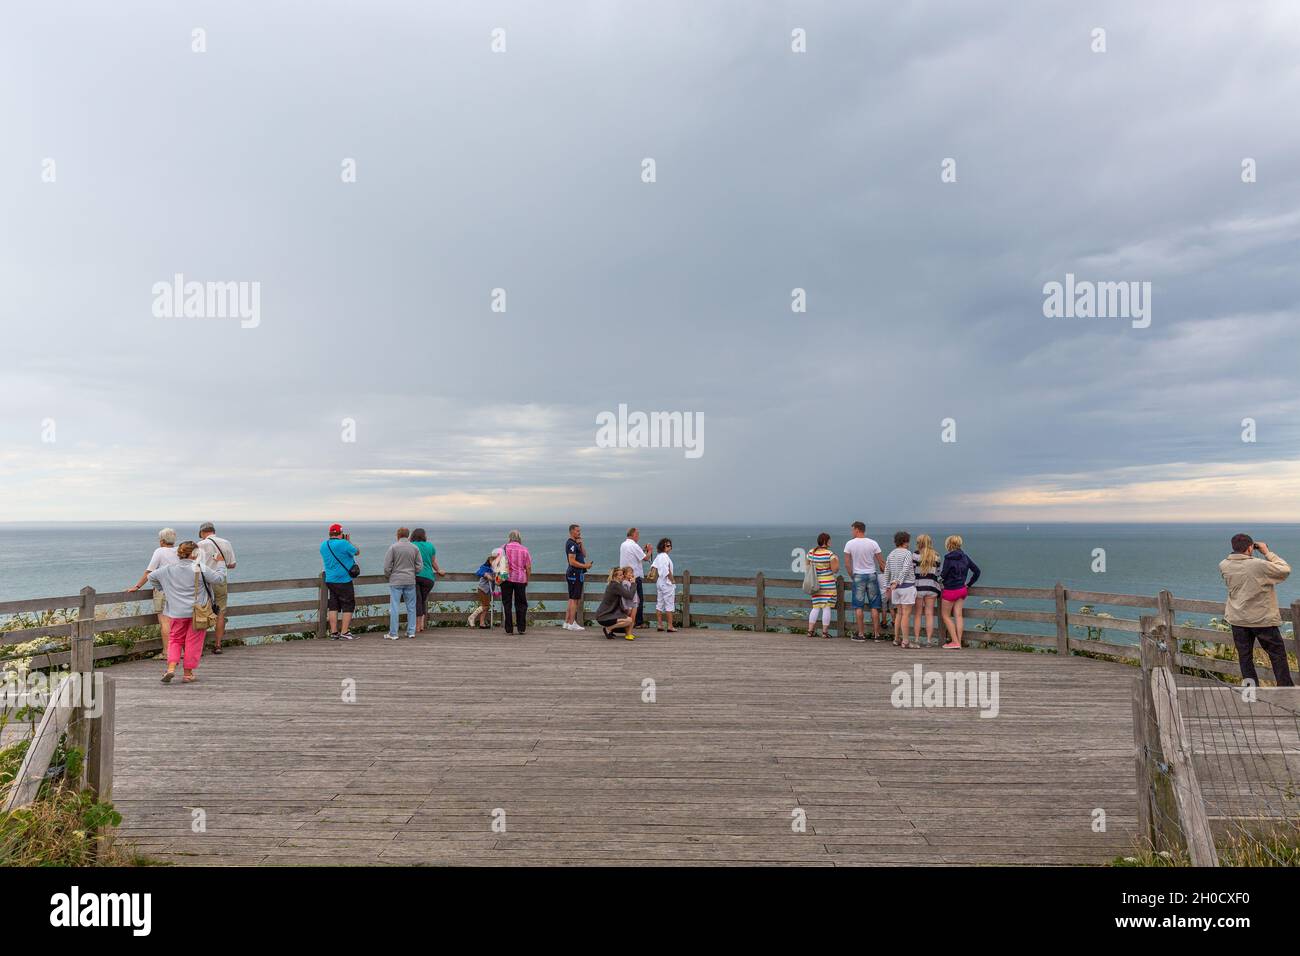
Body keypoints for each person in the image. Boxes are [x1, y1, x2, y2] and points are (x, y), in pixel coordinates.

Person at [1219, 534, 1294, 687]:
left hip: (1237, 619)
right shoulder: (1258, 564)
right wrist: (1267, 552)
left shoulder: (1224, 565)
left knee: (1245, 657)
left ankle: (1251, 693)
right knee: (1277, 655)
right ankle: (1285, 691)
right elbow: (1285, 570)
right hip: (1262, 620)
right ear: (1249, 548)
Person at [148, 540, 226, 683]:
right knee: (193, 642)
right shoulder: (199, 567)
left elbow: (151, 577)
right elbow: (219, 579)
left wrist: (165, 590)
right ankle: (188, 674)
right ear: (195, 553)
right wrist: (220, 563)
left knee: (175, 640)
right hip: (197, 613)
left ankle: (171, 668)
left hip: (176, 612)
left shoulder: (168, 569)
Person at [126, 527, 179, 635]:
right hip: (178, 591)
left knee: (165, 622)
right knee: (176, 622)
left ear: (162, 541)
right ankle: (178, 651)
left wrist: (137, 586)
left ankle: (166, 651)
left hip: (163, 590)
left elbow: (149, 572)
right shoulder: (178, 551)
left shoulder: (159, 551)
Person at [196, 522, 235, 654]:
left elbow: (194, 564)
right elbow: (232, 564)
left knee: (201, 611)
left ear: (202, 532)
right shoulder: (226, 543)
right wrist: (219, 563)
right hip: (220, 581)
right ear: (213, 530)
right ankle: (218, 645)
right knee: (220, 612)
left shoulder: (200, 544)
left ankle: (198, 647)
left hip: (204, 581)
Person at [843, 521, 885, 642]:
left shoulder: (849, 544)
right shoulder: (873, 543)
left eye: (852, 530)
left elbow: (847, 564)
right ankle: (877, 635)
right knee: (875, 606)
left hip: (858, 576)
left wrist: (852, 576)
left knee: (858, 606)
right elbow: (881, 562)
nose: (852, 532)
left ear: (857, 530)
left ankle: (861, 634)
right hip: (871, 575)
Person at [939, 534, 980, 649]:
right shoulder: (965, 557)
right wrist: (969, 584)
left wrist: (939, 579)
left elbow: (943, 575)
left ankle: (955, 642)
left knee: (945, 616)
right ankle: (959, 642)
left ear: (949, 545)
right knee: (958, 615)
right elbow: (977, 571)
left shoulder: (948, 558)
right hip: (962, 590)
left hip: (950, 591)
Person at [320, 523, 360, 640]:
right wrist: (348, 541)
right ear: (341, 533)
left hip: (330, 580)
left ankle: (334, 633)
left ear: (330, 533)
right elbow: (357, 552)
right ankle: (345, 632)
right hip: (343, 580)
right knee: (348, 605)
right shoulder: (344, 543)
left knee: (333, 606)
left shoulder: (324, 545)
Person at [382, 527, 423, 640]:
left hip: (396, 580)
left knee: (394, 607)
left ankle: (393, 633)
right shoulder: (414, 548)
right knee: (411, 607)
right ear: (408, 535)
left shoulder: (393, 547)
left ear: (398, 535)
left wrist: (389, 575)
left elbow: (386, 566)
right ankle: (411, 632)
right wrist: (413, 572)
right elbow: (420, 566)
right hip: (410, 580)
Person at [884, 531, 917, 647]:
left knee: (899, 614)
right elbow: (906, 569)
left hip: (895, 589)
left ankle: (896, 639)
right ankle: (906, 641)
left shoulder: (891, 554)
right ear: (905, 541)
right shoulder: (907, 553)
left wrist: (887, 586)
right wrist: (898, 581)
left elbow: (886, 571)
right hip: (906, 586)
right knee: (906, 615)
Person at [410, 528, 444, 633]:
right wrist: (438, 570)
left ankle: (417, 626)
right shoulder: (430, 546)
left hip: (415, 576)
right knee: (422, 601)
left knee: (417, 601)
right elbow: (433, 562)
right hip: (428, 578)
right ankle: (421, 625)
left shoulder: (412, 546)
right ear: (424, 536)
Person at [912, 533, 943, 646]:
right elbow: (939, 573)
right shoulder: (936, 556)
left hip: (919, 587)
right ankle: (929, 641)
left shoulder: (915, 555)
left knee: (918, 614)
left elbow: (912, 571)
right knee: (929, 614)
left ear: (919, 543)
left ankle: (916, 639)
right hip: (932, 587)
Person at [807, 532, 839, 638]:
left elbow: (807, 567)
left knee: (815, 607)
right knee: (826, 607)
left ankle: (810, 631)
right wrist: (837, 561)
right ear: (826, 541)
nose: (831, 542)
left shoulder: (811, 552)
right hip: (828, 584)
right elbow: (835, 570)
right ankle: (824, 632)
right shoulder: (830, 554)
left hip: (815, 584)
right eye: (829, 540)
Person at [619, 528, 652, 628]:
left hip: (624, 577)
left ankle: (627, 621)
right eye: (637, 535)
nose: (638, 537)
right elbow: (645, 558)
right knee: (638, 600)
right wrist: (649, 551)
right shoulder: (634, 545)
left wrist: (642, 550)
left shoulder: (623, 544)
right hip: (634, 577)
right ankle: (638, 622)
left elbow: (633, 555)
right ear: (634, 535)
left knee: (626, 600)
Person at [501, 530, 532, 635]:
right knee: (521, 604)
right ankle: (521, 628)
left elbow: (497, 563)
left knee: (507, 603)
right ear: (519, 538)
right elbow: (528, 567)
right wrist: (527, 579)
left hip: (506, 579)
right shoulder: (524, 550)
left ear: (509, 537)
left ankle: (509, 629)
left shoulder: (503, 548)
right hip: (520, 579)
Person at [593, 567, 637, 640]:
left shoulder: (613, 584)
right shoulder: (615, 585)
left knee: (629, 621)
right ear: (614, 576)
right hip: (603, 617)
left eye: (622, 574)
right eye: (620, 575)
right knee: (629, 620)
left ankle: (610, 630)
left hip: (606, 615)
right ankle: (608, 629)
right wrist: (633, 583)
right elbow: (630, 596)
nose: (622, 576)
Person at [563, 524, 593, 631]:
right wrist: (586, 566)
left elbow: (584, 555)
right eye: (577, 531)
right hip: (574, 573)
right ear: (571, 531)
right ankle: (572, 623)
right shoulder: (571, 544)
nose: (579, 533)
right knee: (575, 599)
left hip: (576, 573)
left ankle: (567, 622)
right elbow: (572, 561)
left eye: (579, 531)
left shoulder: (576, 543)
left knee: (572, 599)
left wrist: (581, 544)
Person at [651, 538, 676, 632]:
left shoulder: (659, 556)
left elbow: (653, 567)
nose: (670, 547)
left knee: (659, 604)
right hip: (666, 583)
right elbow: (666, 570)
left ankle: (660, 624)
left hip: (659, 582)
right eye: (668, 545)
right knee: (669, 604)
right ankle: (670, 626)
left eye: (670, 545)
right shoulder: (665, 557)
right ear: (663, 547)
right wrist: (672, 580)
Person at [468, 554, 495, 629]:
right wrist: (485, 574)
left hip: (488, 590)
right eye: (492, 560)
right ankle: (471, 617)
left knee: (486, 606)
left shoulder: (495, 569)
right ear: (489, 561)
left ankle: (482, 623)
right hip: (483, 589)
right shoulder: (485, 567)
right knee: (485, 606)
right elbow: (478, 572)